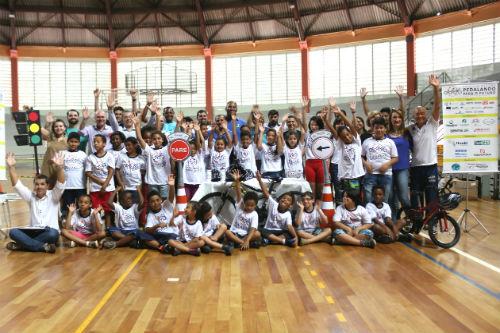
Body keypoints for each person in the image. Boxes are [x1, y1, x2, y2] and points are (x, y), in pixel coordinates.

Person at [5, 152, 65, 253]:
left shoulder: (54, 195)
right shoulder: (31, 197)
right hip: (33, 231)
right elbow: (17, 185)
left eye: (42, 184)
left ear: (47, 186)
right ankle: (42, 247)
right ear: (34, 186)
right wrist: (11, 167)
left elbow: (61, 183)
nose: (39, 186)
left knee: (53, 234)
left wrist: (59, 168)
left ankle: (23, 246)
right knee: (13, 232)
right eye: (37, 184)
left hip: (48, 232)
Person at [409, 75, 441, 209]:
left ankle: (431, 221)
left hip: (430, 167)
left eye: (422, 113)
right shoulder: (410, 129)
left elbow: (437, 106)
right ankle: (417, 220)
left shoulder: (432, 124)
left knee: (431, 195)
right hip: (416, 168)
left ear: (426, 114)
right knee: (416, 196)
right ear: (413, 116)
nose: (420, 115)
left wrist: (436, 88)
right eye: (417, 114)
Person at [303, 98, 337, 202]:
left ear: (320, 125)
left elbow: (328, 123)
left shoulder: (324, 133)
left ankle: (320, 211)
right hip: (309, 164)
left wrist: (331, 108)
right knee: (311, 191)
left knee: (320, 190)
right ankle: (311, 211)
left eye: (316, 124)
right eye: (312, 124)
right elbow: (303, 122)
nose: (313, 126)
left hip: (321, 164)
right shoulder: (307, 134)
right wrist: (304, 108)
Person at [361, 117, 398, 204]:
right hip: (370, 174)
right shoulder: (366, 141)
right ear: (373, 129)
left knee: (385, 200)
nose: (379, 130)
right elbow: (360, 156)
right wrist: (366, 164)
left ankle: (383, 217)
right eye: (376, 127)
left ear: (385, 129)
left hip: (386, 175)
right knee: (368, 197)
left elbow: (395, 158)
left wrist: (387, 164)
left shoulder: (390, 142)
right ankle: (370, 217)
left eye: (381, 127)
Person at [134, 116, 172, 199]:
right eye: (154, 139)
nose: (157, 140)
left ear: (162, 140)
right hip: (152, 183)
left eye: (159, 138)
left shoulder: (167, 149)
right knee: (153, 202)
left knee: (165, 202)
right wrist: (137, 126)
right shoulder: (149, 150)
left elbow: (175, 137)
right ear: (152, 140)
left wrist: (178, 123)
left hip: (164, 182)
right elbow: (139, 138)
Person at [256, 171, 297, 247]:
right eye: (284, 198)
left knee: (289, 233)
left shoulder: (288, 214)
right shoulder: (274, 204)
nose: (285, 200)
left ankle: (269, 240)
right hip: (268, 230)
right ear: (280, 199)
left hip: (279, 232)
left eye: (288, 200)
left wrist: (296, 237)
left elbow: (289, 226)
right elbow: (266, 192)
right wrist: (259, 180)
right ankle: (282, 241)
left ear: (290, 206)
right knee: (260, 229)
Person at [225, 170, 261, 250]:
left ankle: (238, 242)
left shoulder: (254, 214)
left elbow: (253, 229)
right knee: (227, 232)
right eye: (247, 205)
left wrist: (247, 239)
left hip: (245, 235)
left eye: (252, 206)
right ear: (243, 203)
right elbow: (238, 192)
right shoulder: (240, 207)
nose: (249, 207)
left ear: (255, 205)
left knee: (257, 234)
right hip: (235, 233)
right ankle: (242, 243)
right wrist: (237, 181)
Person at [85, 134, 115, 228]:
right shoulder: (90, 157)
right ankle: (97, 229)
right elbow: (88, 173)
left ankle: (108, 229)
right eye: (94, 142)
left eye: (98, 142)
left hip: (108, 188)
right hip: (95, 188)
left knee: (107, 210)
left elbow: (111, 171)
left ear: (104, 144)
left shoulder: (109, 156)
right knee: (95, 210)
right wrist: (100, 182)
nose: (95, 143)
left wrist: (104, 185)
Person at [334, 107, 365, 198]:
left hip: (356, 176)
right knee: (346, 196)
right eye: (344, 137)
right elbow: (334, 132)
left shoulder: (357, 142)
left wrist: (340, 113)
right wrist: (326, 120)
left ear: (351, 133)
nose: (347, 137)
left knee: (355, 196)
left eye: (348, 134)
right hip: (345, 177)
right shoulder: (341, 144)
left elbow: (351, 126)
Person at [388, 108, 412, 219]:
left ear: (402, 119)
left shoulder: (407, 132)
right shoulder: (386, 134)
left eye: (399, 117)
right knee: (391, 197)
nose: (397, 119)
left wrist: (401, 99)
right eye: (394, 117)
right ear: (390, 119)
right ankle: (394, 222)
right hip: (389, 169)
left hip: (402, 169)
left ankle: (411, 218)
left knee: (403, 196)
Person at [144, 175, 178, 251]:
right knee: (144, 235)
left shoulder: (165, 206)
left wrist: (171, 186)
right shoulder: (150, 215)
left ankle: (166, 246)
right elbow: (147, 230)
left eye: (157, 200)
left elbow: (171, 197)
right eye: (152, 201)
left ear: (161, 200)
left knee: (149, 238)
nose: (155, 203)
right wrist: (157, 226)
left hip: (171, 234)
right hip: (160, 236)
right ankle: (166, 247)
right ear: (149, 203)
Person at [61, 132, 87, 220]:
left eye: (76, 142)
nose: (73, 143)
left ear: (79, 143)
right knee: (68, 207)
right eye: (71, 141)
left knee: (82, 206)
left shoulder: (83, 154)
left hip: (80, 186)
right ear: (68, 142)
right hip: (67, 186)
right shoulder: (62, 153)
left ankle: (81, 223)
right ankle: (69, 223)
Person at [115, 136, 146, 204]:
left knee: (135, 208)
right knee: (124, 208)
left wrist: (141, 185)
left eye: (129, 145)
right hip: (125, 188)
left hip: (136, 188)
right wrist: (120, 183)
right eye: (126, 146)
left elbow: (143, 173)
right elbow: (117, 170)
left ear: (135, 145)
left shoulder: (141, 158)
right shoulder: (121, 156)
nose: (127, 147)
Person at [41, 115, 67, 187]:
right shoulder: (50, 137)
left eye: (61, 126)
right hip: (47, 169)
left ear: (65, 128)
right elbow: (39, 128)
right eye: (56, 126)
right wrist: (48, 123)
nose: (58, 128)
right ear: (53, 128)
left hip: (60, 170)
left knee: (60, 193)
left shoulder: (68, 141)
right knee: (47, 192)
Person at [183, 124, 206, 200]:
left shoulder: (200, 156)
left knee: (196, 201)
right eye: (190, 149)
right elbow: (184, 143)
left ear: (196, 149)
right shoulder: (185, 156)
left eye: (194, 149)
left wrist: (197, 131)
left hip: (198, 183)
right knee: (187, 200)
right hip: (187, 183)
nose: (192, 150)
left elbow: (199, 143)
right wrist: (187, 132)